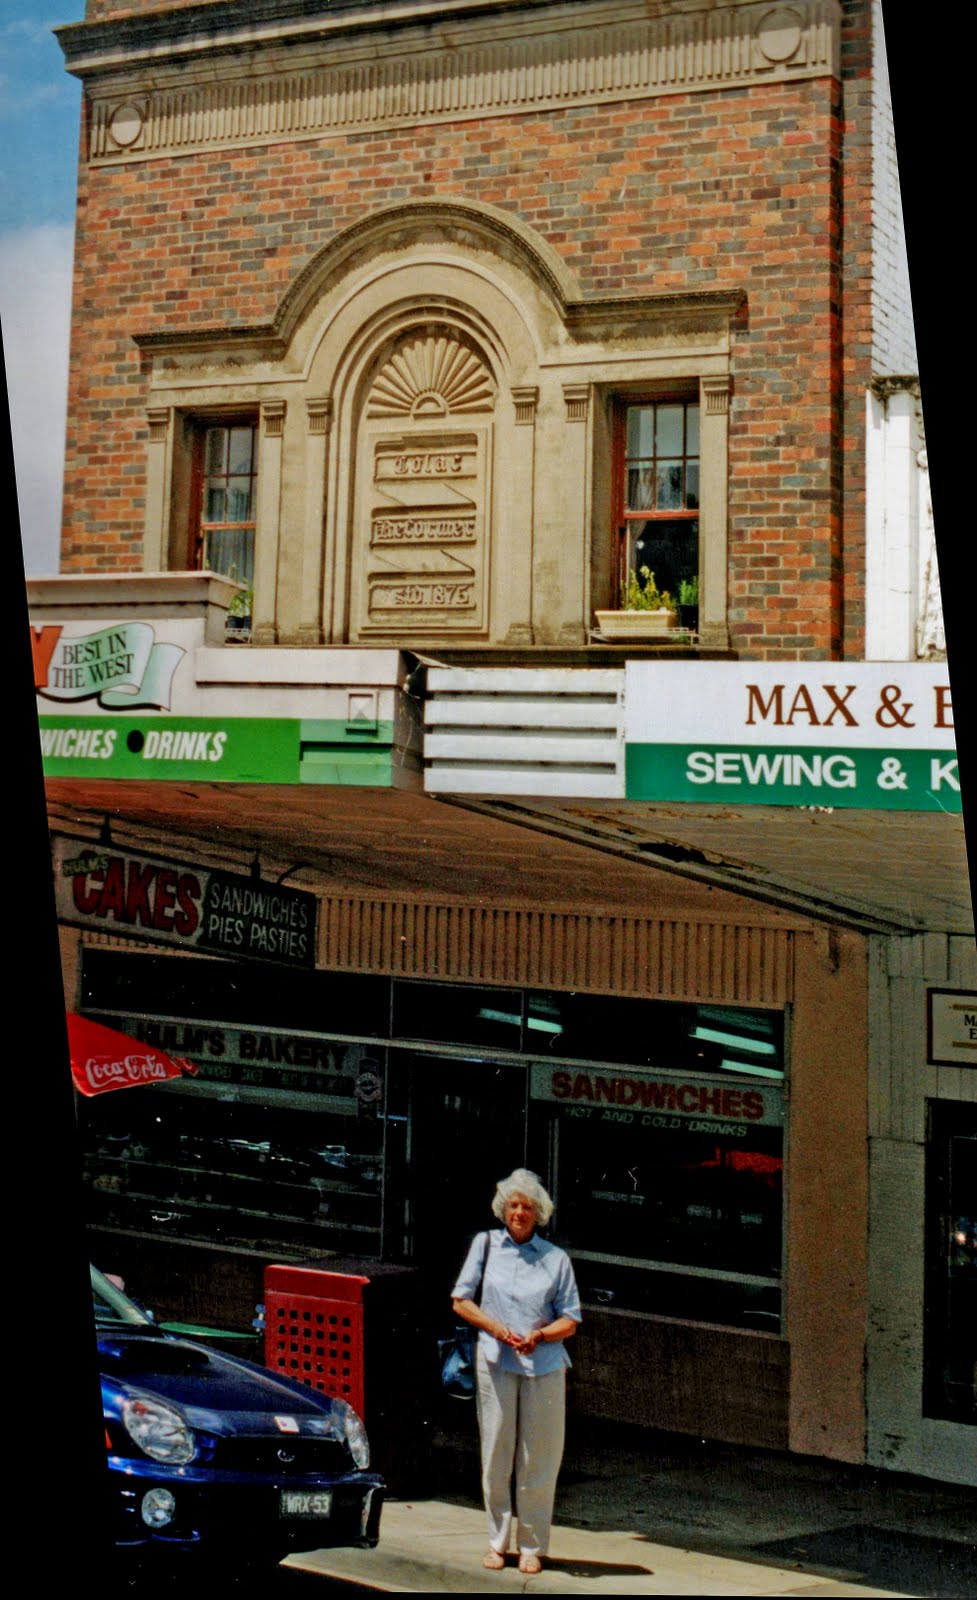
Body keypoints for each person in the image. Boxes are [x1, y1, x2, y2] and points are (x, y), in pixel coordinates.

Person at [451, 1167, 581, 1575]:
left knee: (538, 1458)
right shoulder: (485, 1246)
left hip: (543, 1366)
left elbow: (571, 1319)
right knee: (496, 1454)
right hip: (495, 1361)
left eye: (527, 1206)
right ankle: (496, 1541)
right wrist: (495, 1327)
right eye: (513, 1205)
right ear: (503, 1209)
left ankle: (532, 1547)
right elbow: (460, 1300)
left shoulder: (555, 1259)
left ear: (538, 1212)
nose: (519, 1212)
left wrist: (540, 1335)